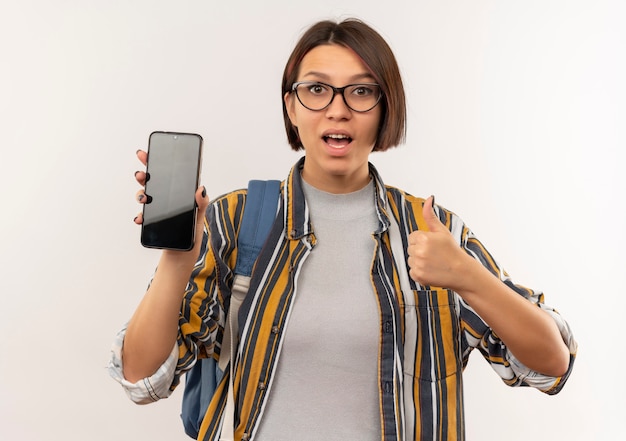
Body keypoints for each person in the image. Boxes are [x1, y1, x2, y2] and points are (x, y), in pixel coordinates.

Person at [109, 18, 577, 441]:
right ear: (291, 107)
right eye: (316, 90)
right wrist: (178, 256)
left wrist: (468, 277)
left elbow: (551, 365)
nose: (337, 110)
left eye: (360, 91)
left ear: (384, 108)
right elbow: (143, 378)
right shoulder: (237, 220)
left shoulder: (433, 231)